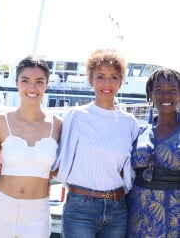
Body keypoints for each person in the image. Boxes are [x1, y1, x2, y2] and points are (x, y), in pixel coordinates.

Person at [52, 48, 140, 238]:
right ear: (91, 80)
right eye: (100, 76)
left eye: (113, 77)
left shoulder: (130, 123)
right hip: (80, 208)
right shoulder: (76, 117)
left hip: (117, 208)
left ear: (121, 81)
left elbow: (129, 169)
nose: (107, 83)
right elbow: (58, 157)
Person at [0, 55, 62, 238]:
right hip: (0, 206)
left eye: (39, 81)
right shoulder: (0, 122)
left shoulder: (57, 125)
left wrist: (47, 173)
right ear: (16, 82)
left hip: (38, 210)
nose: (32, 88)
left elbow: (66, 166)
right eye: (25, 81)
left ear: (47, 84)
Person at [127, 68, 180, 237]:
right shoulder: (139, 132)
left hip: (174, 221)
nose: (166, 95)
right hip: (137, 217)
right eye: (159, 90)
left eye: (172, 90)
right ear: (150, 94)